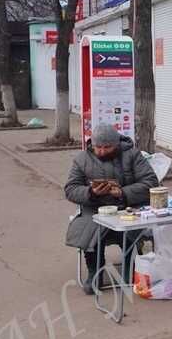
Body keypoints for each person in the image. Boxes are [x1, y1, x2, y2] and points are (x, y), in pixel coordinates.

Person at [64, 124, 159, 293]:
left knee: (130, 229)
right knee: (91, 230)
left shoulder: (132, 155)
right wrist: (90, 192)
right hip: (94, 209)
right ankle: (95, 272)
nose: (101, 151)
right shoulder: (82, 159)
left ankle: (131, 267)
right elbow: (70, 189)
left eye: (107, 147)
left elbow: (151, 182)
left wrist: (123, 193)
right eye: (97, 147)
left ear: (117, 144)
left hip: (127, 207)